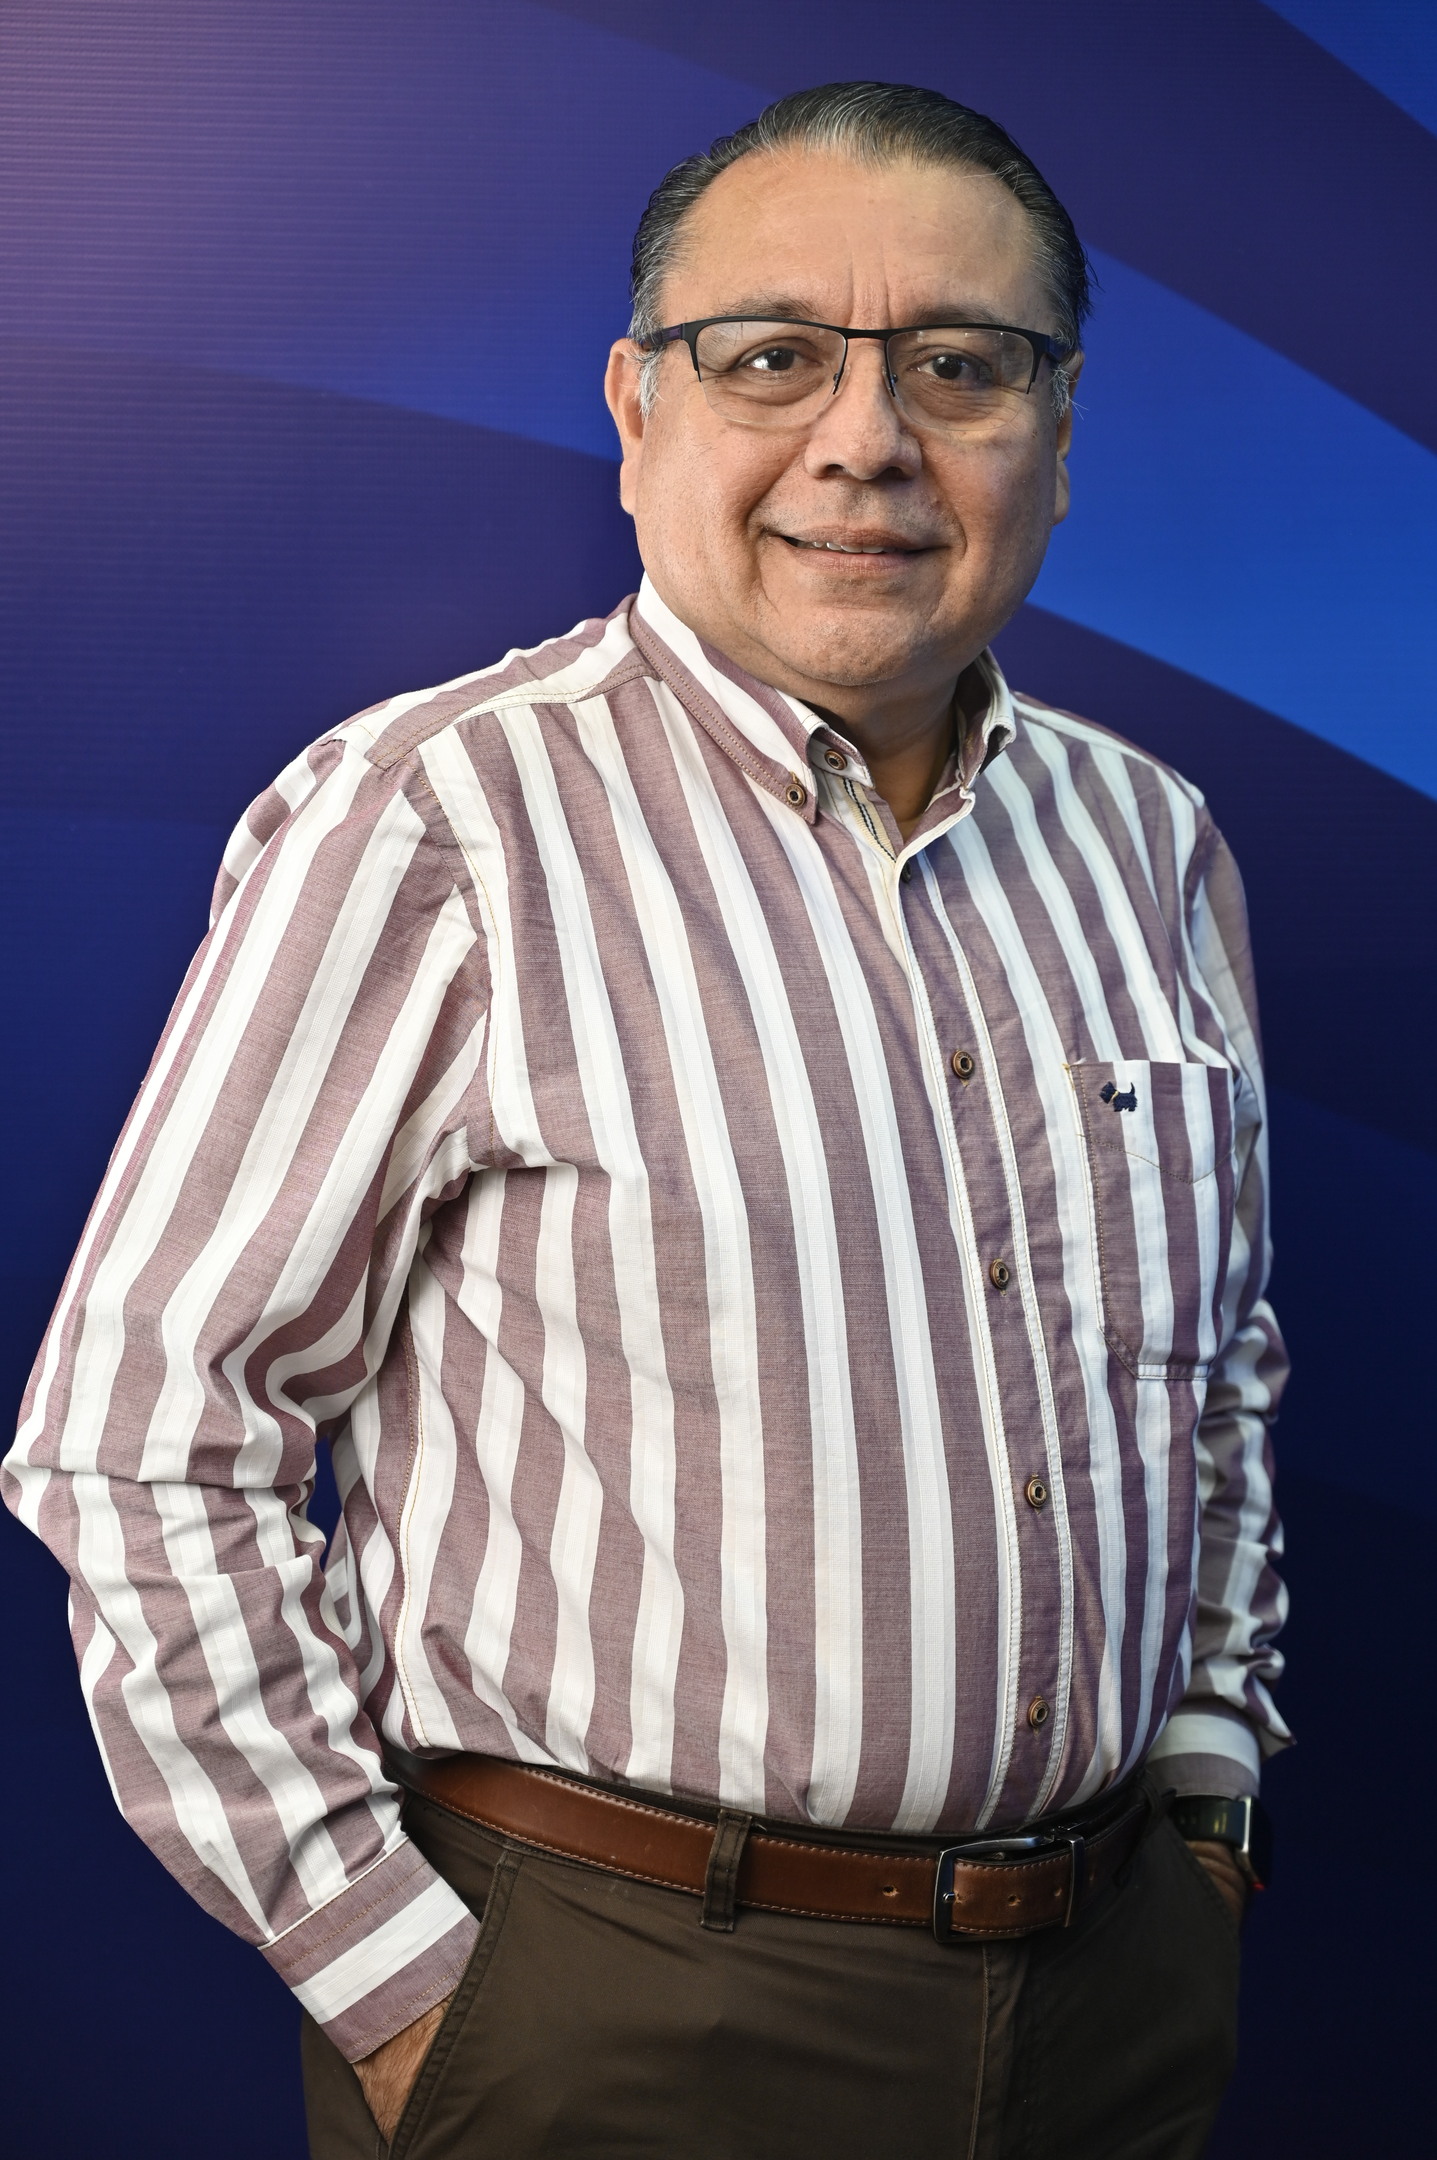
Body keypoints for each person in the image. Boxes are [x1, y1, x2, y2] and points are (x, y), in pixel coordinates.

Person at [3, 81, 1289, 2160]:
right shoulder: (436, 821)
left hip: (1112, 1999)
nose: (863, 440)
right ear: (635, 409)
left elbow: (1213, 1372)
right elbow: (140, 1439)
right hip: (613, 2016)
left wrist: (1208, 1793)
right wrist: (399, 1987)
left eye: (957, 367)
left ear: (1055, 432)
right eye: (768, 357)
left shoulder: (1148, 844)